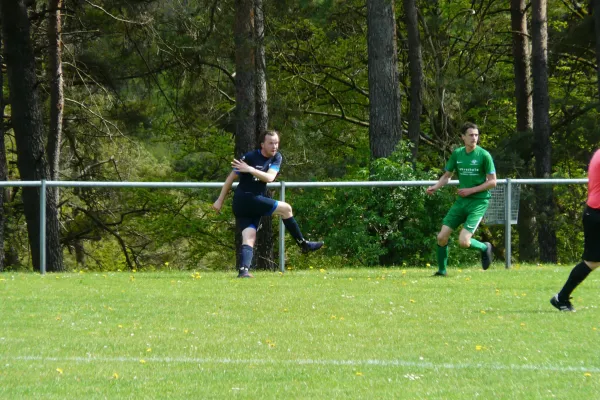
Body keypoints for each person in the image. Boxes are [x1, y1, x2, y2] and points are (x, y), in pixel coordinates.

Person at [213, 130, 323, 278]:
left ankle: (243, 271)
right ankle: (304, 244)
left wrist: (250, 170)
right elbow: (230, 179)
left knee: (249, 235)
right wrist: (220, 200)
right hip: (244, 200)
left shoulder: (277, 157)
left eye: (276, 143)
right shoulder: (250, 157)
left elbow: (270, 177)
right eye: (271, 143)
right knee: (286, 208)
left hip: (255, 201)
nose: (274, 146)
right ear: (262, 144)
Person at [426, 122, 497, 276]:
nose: (474, 138)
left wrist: (471, 190)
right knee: (441, 237)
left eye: (476, 135)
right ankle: (442, 271)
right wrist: (435, 187)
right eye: (471, 135)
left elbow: (493, 182)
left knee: (464, 242)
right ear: (462, 137)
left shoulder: (484, 155)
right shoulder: (457, 154)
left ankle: (485, 247)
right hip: (462, 201)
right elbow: (447, 176)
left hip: (478, 202)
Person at [550, 149, 600, 311]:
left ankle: (561, 297)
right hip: (597, 213)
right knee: (591, 262)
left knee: (592, 262)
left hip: (594, 212)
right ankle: (561, 297)